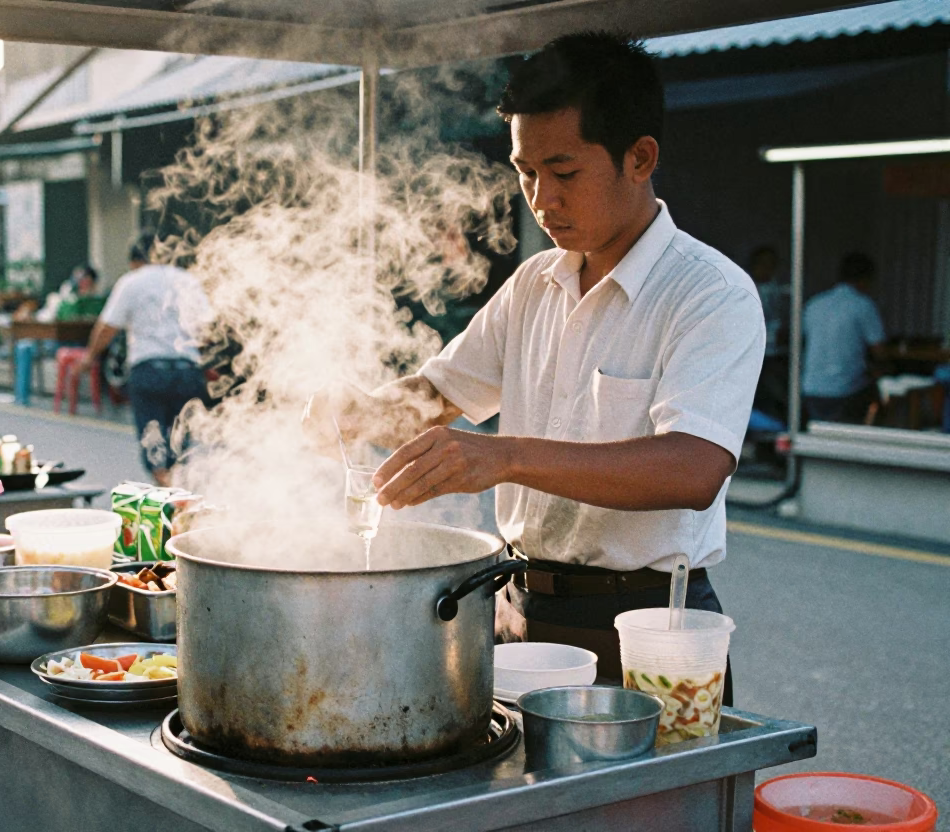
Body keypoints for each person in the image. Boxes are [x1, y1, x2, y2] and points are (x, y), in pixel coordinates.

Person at [304, 32, 764, 701]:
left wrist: (505, 455)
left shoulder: (708, 293)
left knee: (635, 805)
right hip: (520, 615)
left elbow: (693, 468)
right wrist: (362, 409)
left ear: (640, 158)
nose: (541, 198)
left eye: (564, 171)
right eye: (525, 172)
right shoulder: (535, 283)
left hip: (645, 628)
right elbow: (439, 395)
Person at [81, 245, 210, 486]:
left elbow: (107, 327)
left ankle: (170, 502)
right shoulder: (188, 281)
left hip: (149, 372)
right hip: (187, 372)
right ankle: (178, 497)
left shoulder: (132, 282)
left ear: (136, 261)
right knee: (179, 446)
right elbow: (207, 330)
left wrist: (89, 358)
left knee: (155, 449)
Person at [802, 252, 886, 424]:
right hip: (845, 390)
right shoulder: (863, 305)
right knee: (880, 397)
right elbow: (879, 351)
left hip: (811, 387)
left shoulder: (814, 303)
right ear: (865, 279)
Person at [749, 246, 790, 421]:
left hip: (775, 355)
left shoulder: (778, 289)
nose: (767, 269)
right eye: (763, 264)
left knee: (775, 398)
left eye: (771, 265)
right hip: (753, 355)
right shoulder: (745, 287)